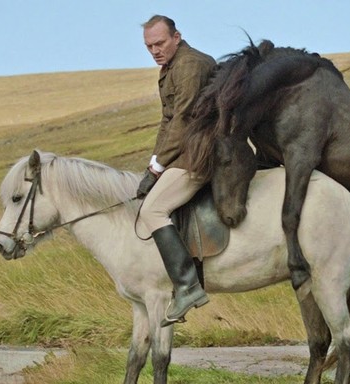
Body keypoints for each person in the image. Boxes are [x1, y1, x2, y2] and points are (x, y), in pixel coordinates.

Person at [137, 15, 216, 327]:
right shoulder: (170, 68)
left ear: (177, 37)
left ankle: (187, 286)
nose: (155, 50)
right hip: (185, 153)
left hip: (200, 155)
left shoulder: (189, 66)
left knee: (152, 211)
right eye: (149, 46)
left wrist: (158, 167)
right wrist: (153, 162)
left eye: (160, 43)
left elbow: (182, 121)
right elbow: (167, 121)